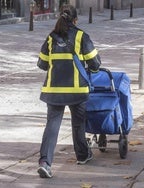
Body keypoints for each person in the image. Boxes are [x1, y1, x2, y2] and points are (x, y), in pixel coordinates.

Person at [36, 4, 101, 178]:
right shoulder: (81, 36)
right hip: (77, 91)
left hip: (54, 90)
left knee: (52, 126)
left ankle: (45, 163)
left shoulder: (51, 37)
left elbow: (42, 64)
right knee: (78, 123)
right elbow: (95, 64)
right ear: (75, 20)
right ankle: (82, 155)